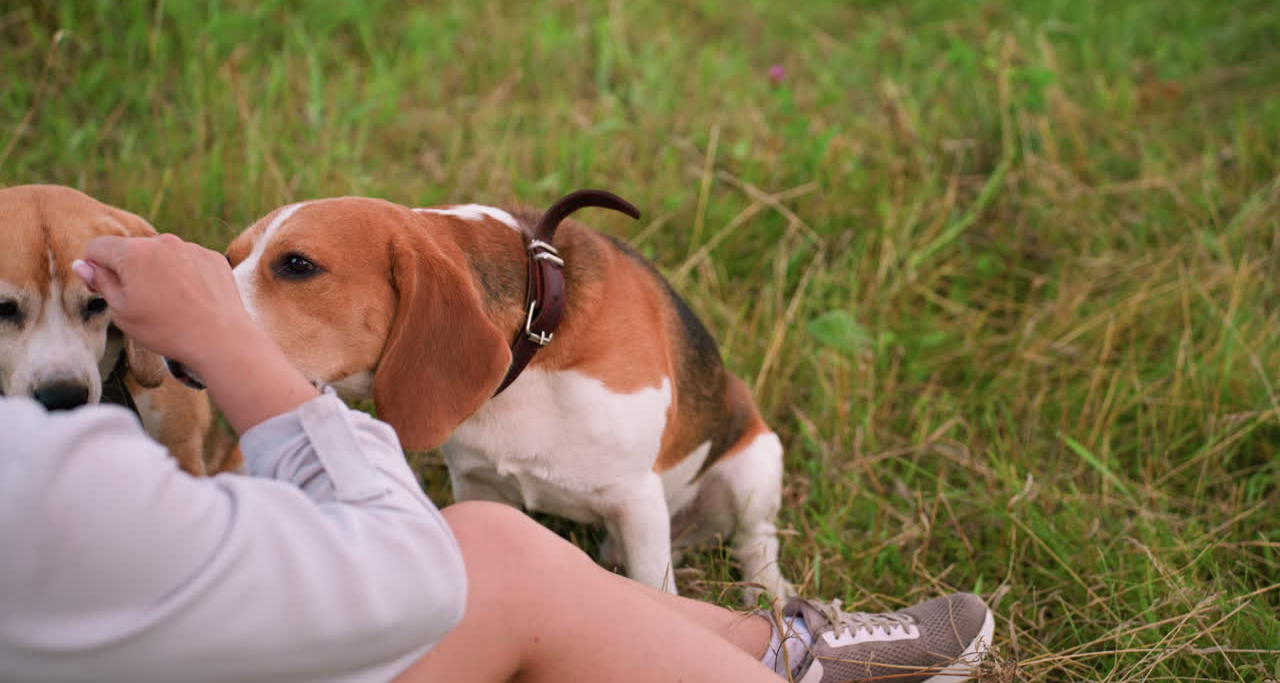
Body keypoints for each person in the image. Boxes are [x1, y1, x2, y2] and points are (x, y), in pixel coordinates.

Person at [0, 233, 995, 683]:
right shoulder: (44, 496)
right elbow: (407, 576)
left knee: (493, 542)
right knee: (490, 559)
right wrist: (232, 348)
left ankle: (771, 646)